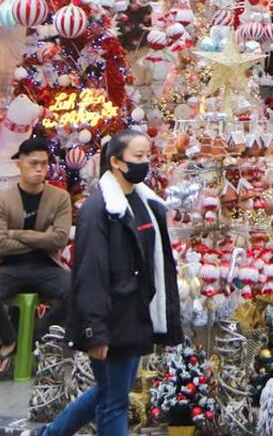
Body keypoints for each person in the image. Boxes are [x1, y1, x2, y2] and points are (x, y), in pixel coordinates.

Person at [41, 128, 182, 436]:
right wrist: (95, 330)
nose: (146, 163)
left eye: (148, 156)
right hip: (112, 317)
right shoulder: (99, 209)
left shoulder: (145, 202)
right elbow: (90, 273)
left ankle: (51, 434)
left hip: (134, 315)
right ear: (117, 162)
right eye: (138, 156)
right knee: (113, 402)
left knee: (110, 392)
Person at [0, 136, 72, 375]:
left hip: (47, 265)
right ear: (20, 165)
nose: (39, 169)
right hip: (9, 267)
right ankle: (10, 339)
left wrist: (17, 234)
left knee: (78, 290)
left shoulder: (59, 198)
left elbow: (59, 239)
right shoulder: (3, 200)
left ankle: (38, 334)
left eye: (44, 164)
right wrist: (41, 238)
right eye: (33, 164)